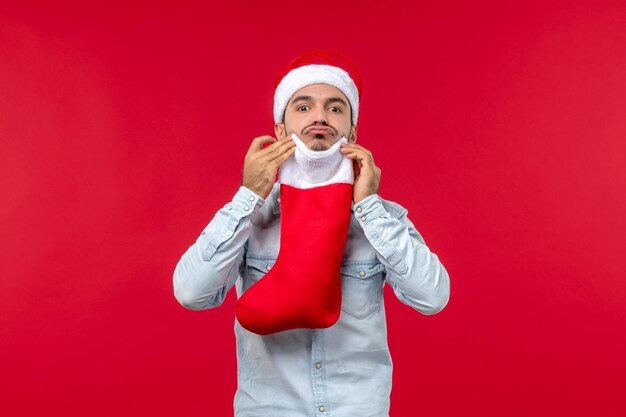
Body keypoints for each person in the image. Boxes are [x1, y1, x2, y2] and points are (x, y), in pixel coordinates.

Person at [173, 50, 450, 417]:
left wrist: (368, 206)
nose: (320, 116)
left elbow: (433, 297)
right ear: (279, 130)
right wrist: (248, 196)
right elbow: (191, 294)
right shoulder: (252, 217)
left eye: (335, 108)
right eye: (303, 107)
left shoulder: (380, 219)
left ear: (352, 131)